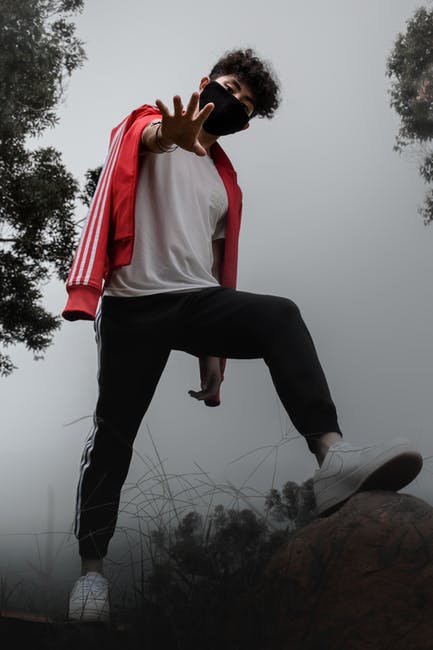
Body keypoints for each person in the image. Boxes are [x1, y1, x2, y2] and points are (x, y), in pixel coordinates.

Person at [63, 48, 423, 622]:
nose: (234, 102)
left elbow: (213, 265)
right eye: (230, 87)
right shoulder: (150, 123)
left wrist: (212, 357)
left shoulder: (222, 182)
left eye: (247, 104)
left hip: (193, 302)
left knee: (280, 315)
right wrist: (167, 134)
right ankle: (91, 575)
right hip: (132, 305)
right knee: (114, 434)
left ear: (246, 123)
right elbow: (142, 141)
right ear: (206, 83)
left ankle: (332, 457)